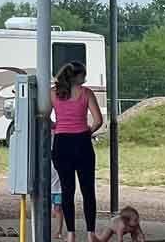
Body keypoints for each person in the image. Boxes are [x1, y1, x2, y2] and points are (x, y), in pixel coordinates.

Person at [50, 61, 103, 242]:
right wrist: (87, 132)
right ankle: (90, 234)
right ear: (76, 76)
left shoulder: (53, 93)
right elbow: (98, 120)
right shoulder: (86, 93)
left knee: (67, 190)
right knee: (88, 190)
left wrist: (57, 126)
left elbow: (46, 119)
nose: (85, 78)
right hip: (82, 143)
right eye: (83, 75)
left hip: (61, 144)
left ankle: (70, 234)